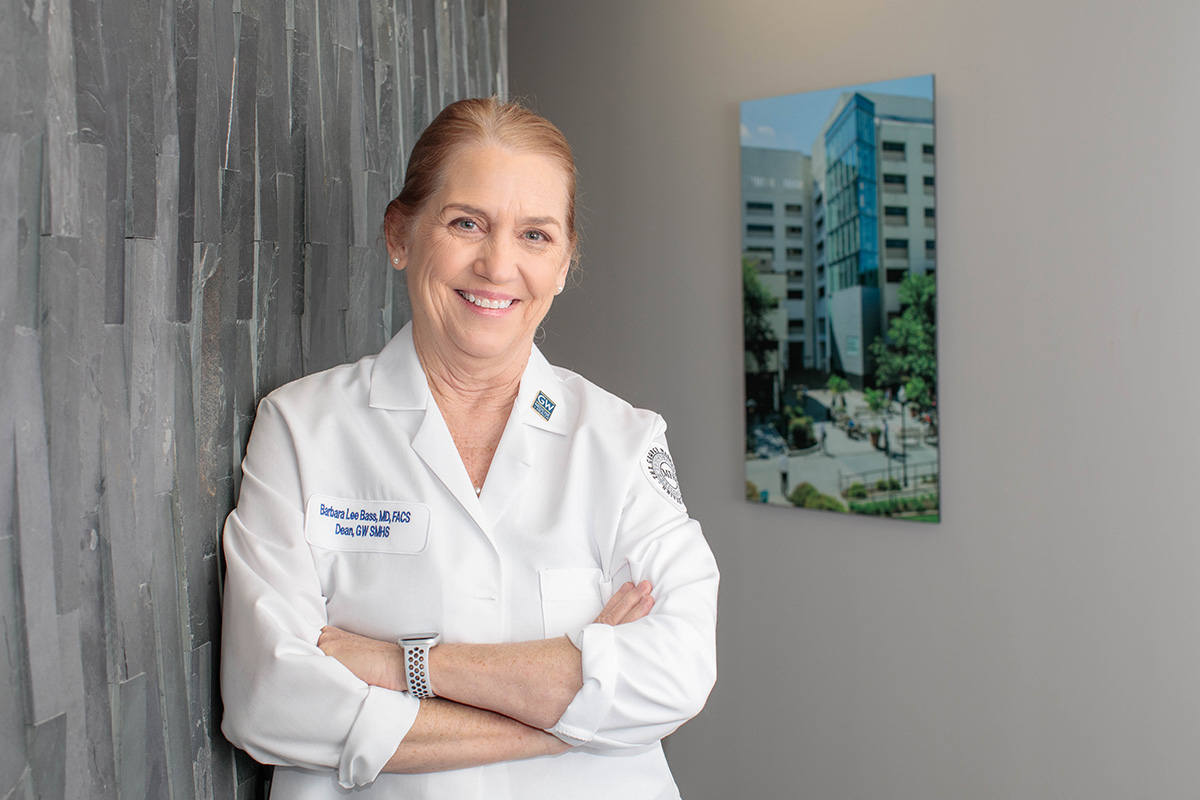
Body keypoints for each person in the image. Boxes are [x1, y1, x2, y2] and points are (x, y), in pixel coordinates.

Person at [219, 97, 719, 799]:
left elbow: (677, 671)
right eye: (466, 223)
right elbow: (270, 701)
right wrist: (560, 716)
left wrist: (403, 666)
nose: (497, 265)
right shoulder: (303, 428)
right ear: (401, 235)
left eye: (536, 236)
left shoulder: (622, 442)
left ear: (566, 262)